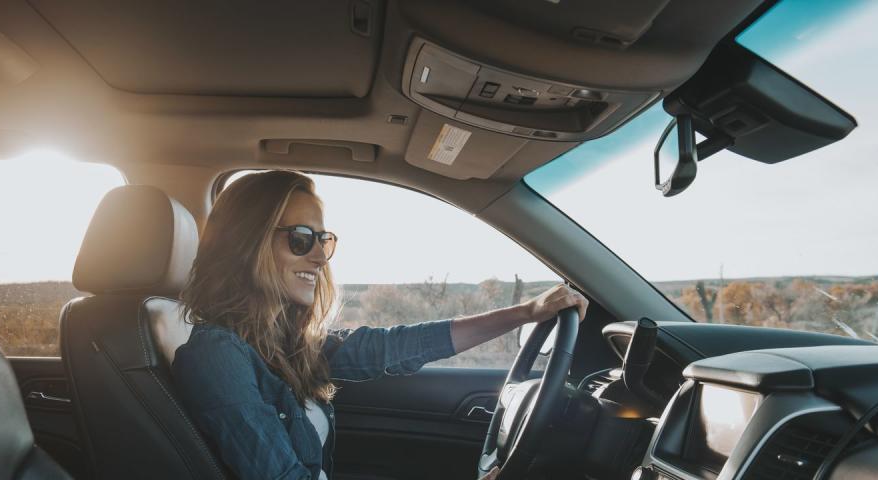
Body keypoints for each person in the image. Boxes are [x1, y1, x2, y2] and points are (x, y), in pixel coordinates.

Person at [172, 170, 589, 480]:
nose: (319, 257)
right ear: (248, 244)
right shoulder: (217, 356)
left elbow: (392, 347)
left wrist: (524, 313)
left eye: (323, 239)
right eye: (300, 238)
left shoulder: (284, 343)